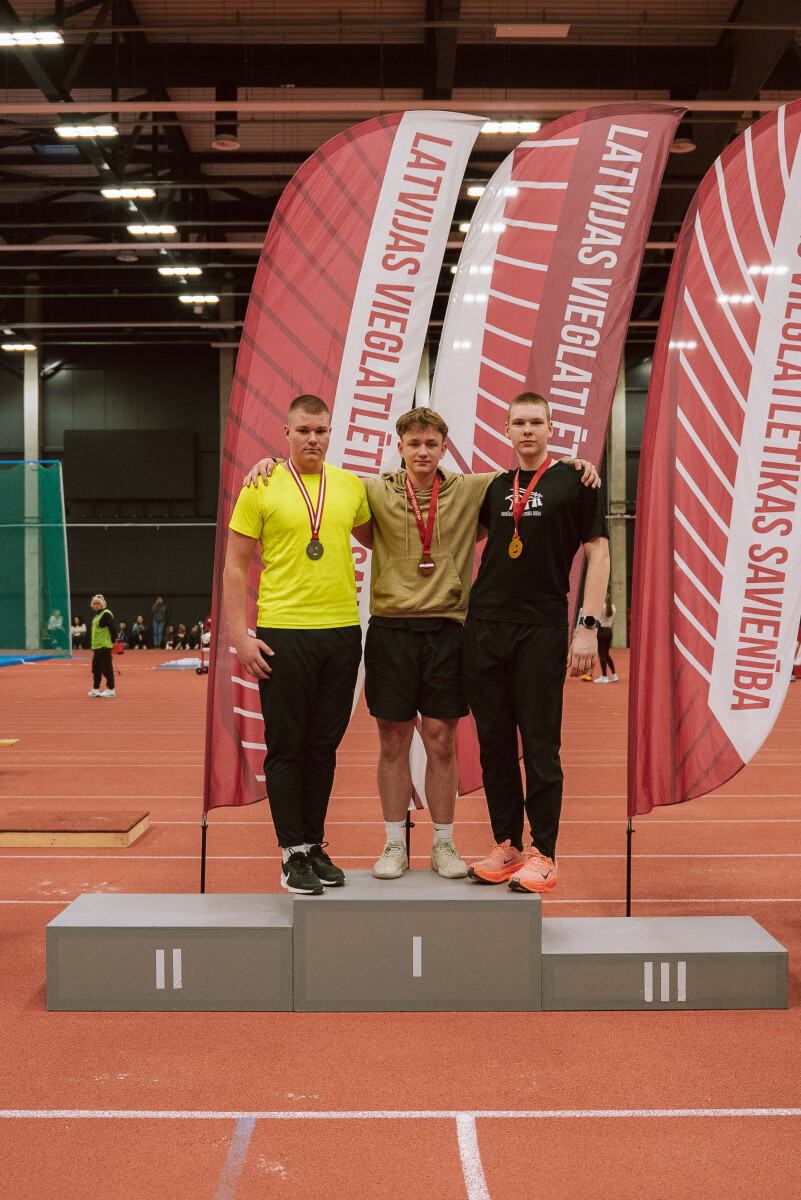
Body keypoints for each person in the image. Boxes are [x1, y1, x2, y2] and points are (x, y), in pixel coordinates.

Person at [246, 407, 599, 882]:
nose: (423, 452)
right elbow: (313, 475)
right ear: (400, 447)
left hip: (448, 630)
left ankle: (443, 843)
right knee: (392, 740)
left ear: (444, 448)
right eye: (414, 444)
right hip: (390, 629)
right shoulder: (370, 490)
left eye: (432, 444)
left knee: (441, 740)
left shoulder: (473, 488)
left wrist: (575, 464)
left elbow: (531, 472)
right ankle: (394, 842)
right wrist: (270, 461)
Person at [224, 394, 372, 896]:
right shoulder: (261, 485)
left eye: (321, 430)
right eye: (303, 430)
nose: (313, 438)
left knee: (323, 747)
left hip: (342, 633)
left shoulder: (351, 487)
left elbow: (384, 536)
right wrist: (240, 637)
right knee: (287, 746)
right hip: (283, 634)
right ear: (286, 432)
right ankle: (291, 853)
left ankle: (312, 843)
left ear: (331, 432)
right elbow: (235, 566)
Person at [465, 393, 609, 893]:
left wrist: (587, 626)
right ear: (506, 430)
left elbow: (598, 554)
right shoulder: (494, 486)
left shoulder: (577, 480)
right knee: (494, 744)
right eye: (519, 423)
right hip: (486, 625)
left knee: (541, 745)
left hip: (541, 627)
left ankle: (543, 852)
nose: (527, 430)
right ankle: (507, 843)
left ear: (550, 428)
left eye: (536, 422)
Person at [88, 594, 117, 697]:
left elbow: (112, 628)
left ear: (102, 604)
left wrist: (113, 640)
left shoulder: (106, 614)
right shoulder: (97, 616)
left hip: (104, 646)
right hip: (97, 647)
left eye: (98, 603)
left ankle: (111, 689)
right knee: (96, 669)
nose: (96, 605)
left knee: (107, 669)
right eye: (94, 603)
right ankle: (96, 688)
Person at [594, 591, 618, 682]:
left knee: (602, 654)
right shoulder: (613, 607)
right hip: (609, 631)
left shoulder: (601, 607)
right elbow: (613, 621)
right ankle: (614, 674)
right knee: (606, 654)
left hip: (601, 631)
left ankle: (604, 676)